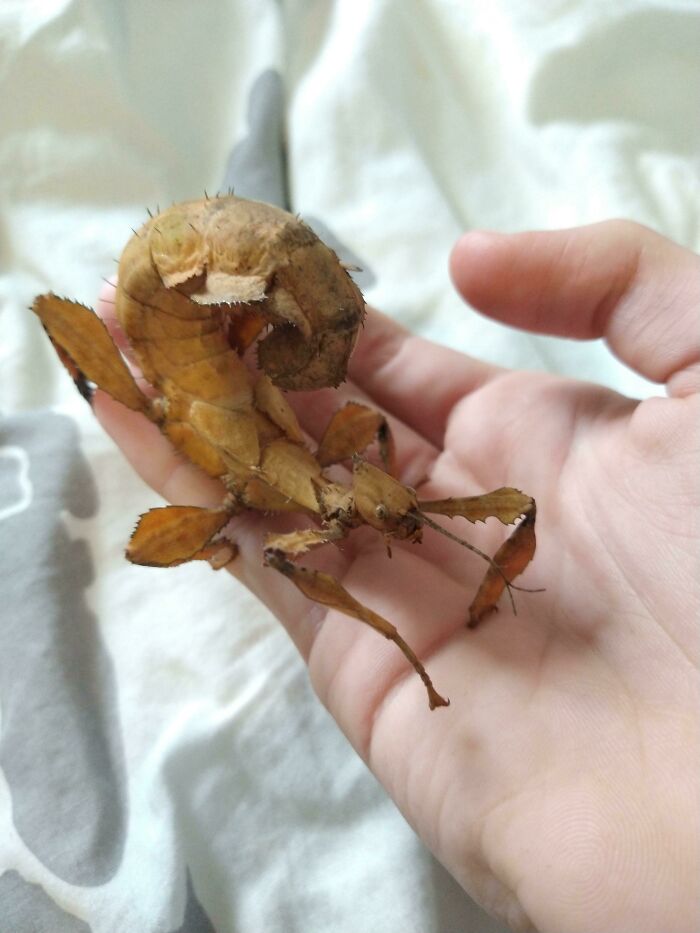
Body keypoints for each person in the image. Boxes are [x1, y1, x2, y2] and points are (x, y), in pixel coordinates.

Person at [94, 220, 699, 933]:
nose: (409, 518)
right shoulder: (314, 469)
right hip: (178, 296)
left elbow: (386, 454)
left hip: (206, 353)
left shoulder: (335, 460)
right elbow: (299, 531)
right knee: (264, 543)